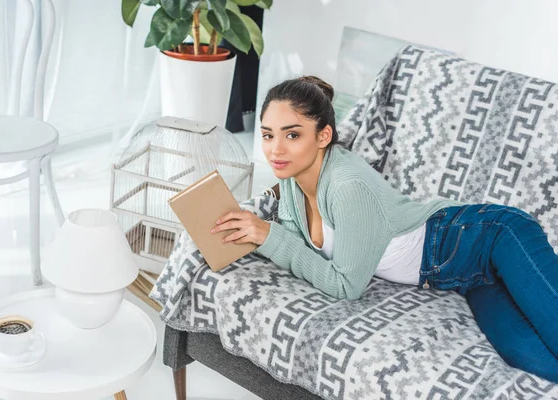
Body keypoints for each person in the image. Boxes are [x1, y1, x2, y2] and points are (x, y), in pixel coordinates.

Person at [209, 75, 558, 382]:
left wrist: (268, 235)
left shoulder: (348, 186)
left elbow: (346, 285)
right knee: (537, 365)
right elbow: (292, 238)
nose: (275, 149)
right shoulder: (290, 178)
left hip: (494, 237)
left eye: (292, 135)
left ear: (323, 135)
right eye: (268, 135)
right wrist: (257, 230)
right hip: (465, 278)